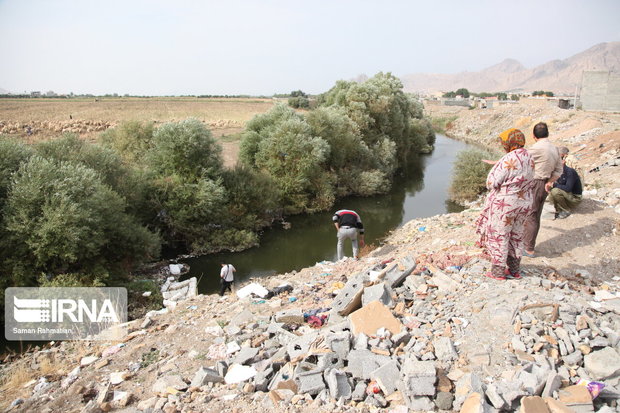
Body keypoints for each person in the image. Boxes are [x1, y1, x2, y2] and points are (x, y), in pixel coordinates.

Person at [475, 128, 535, 280]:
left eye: (503, 143)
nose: (503, 145)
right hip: (525, 203)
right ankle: (515, 270)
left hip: (506, 204)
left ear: (509, 143)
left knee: (500, 235)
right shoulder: (529, 157)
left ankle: (498, 272)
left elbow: (492, 182)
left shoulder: (509, 158)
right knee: (517, 235)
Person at [523, 122, 563, 257]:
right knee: (536, 215)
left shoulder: (536, 149)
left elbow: (518, 161)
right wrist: (550, 181)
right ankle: (529, 245)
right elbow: (559, 170)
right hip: (545, 184)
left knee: (531, 216)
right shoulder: (554, 149)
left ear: (533, 136)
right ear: (547, 134)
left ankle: (528, 249)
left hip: (535, 183)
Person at [549, 147, 582, 219]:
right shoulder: (558, 172)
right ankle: (557, 209)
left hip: (574, 197)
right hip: (567, 194)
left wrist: (554, 185)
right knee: (551, 191)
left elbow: (568, 188)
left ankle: (566, 210)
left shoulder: (570, 172)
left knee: (555, 191)